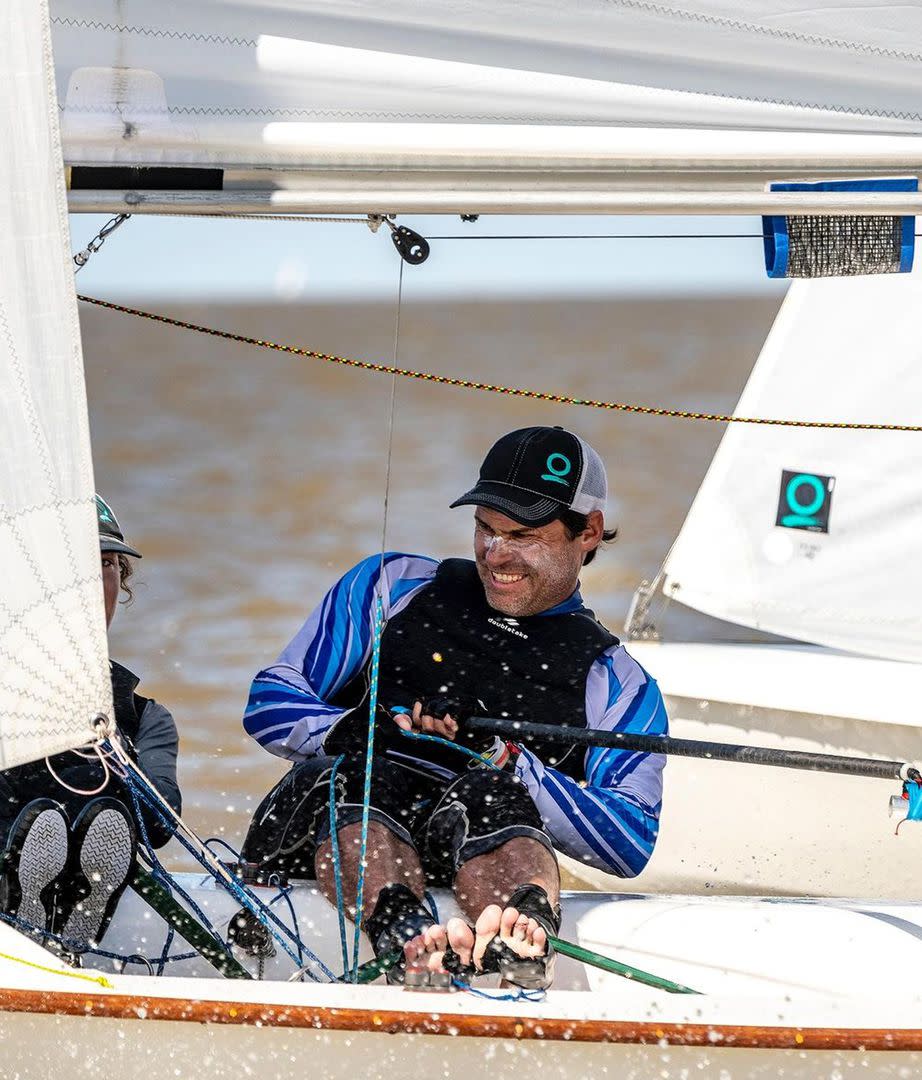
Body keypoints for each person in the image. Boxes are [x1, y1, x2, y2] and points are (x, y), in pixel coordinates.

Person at [241, 426, 666, 987]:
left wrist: (505, 759)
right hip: (329, 825)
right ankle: (404, 931)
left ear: (587, 532)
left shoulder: (618, 682)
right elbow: (268, 700)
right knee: (364, 775)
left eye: (523, 535)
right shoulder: (389, 586)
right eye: (484, 529)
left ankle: (519, 930)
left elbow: (630, 841)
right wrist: (350, 730)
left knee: (493, 791)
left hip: (470, 842)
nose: (496, 554)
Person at [0, 495, 181, 954]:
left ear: (121, 581)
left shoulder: (145, 719)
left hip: (84, 864)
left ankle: (76, 910)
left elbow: (161, 826)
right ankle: (20, 903)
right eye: (72, 564)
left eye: (105, 564)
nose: (89, 581)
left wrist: (117, 751)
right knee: (35, 815)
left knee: (107, 816)